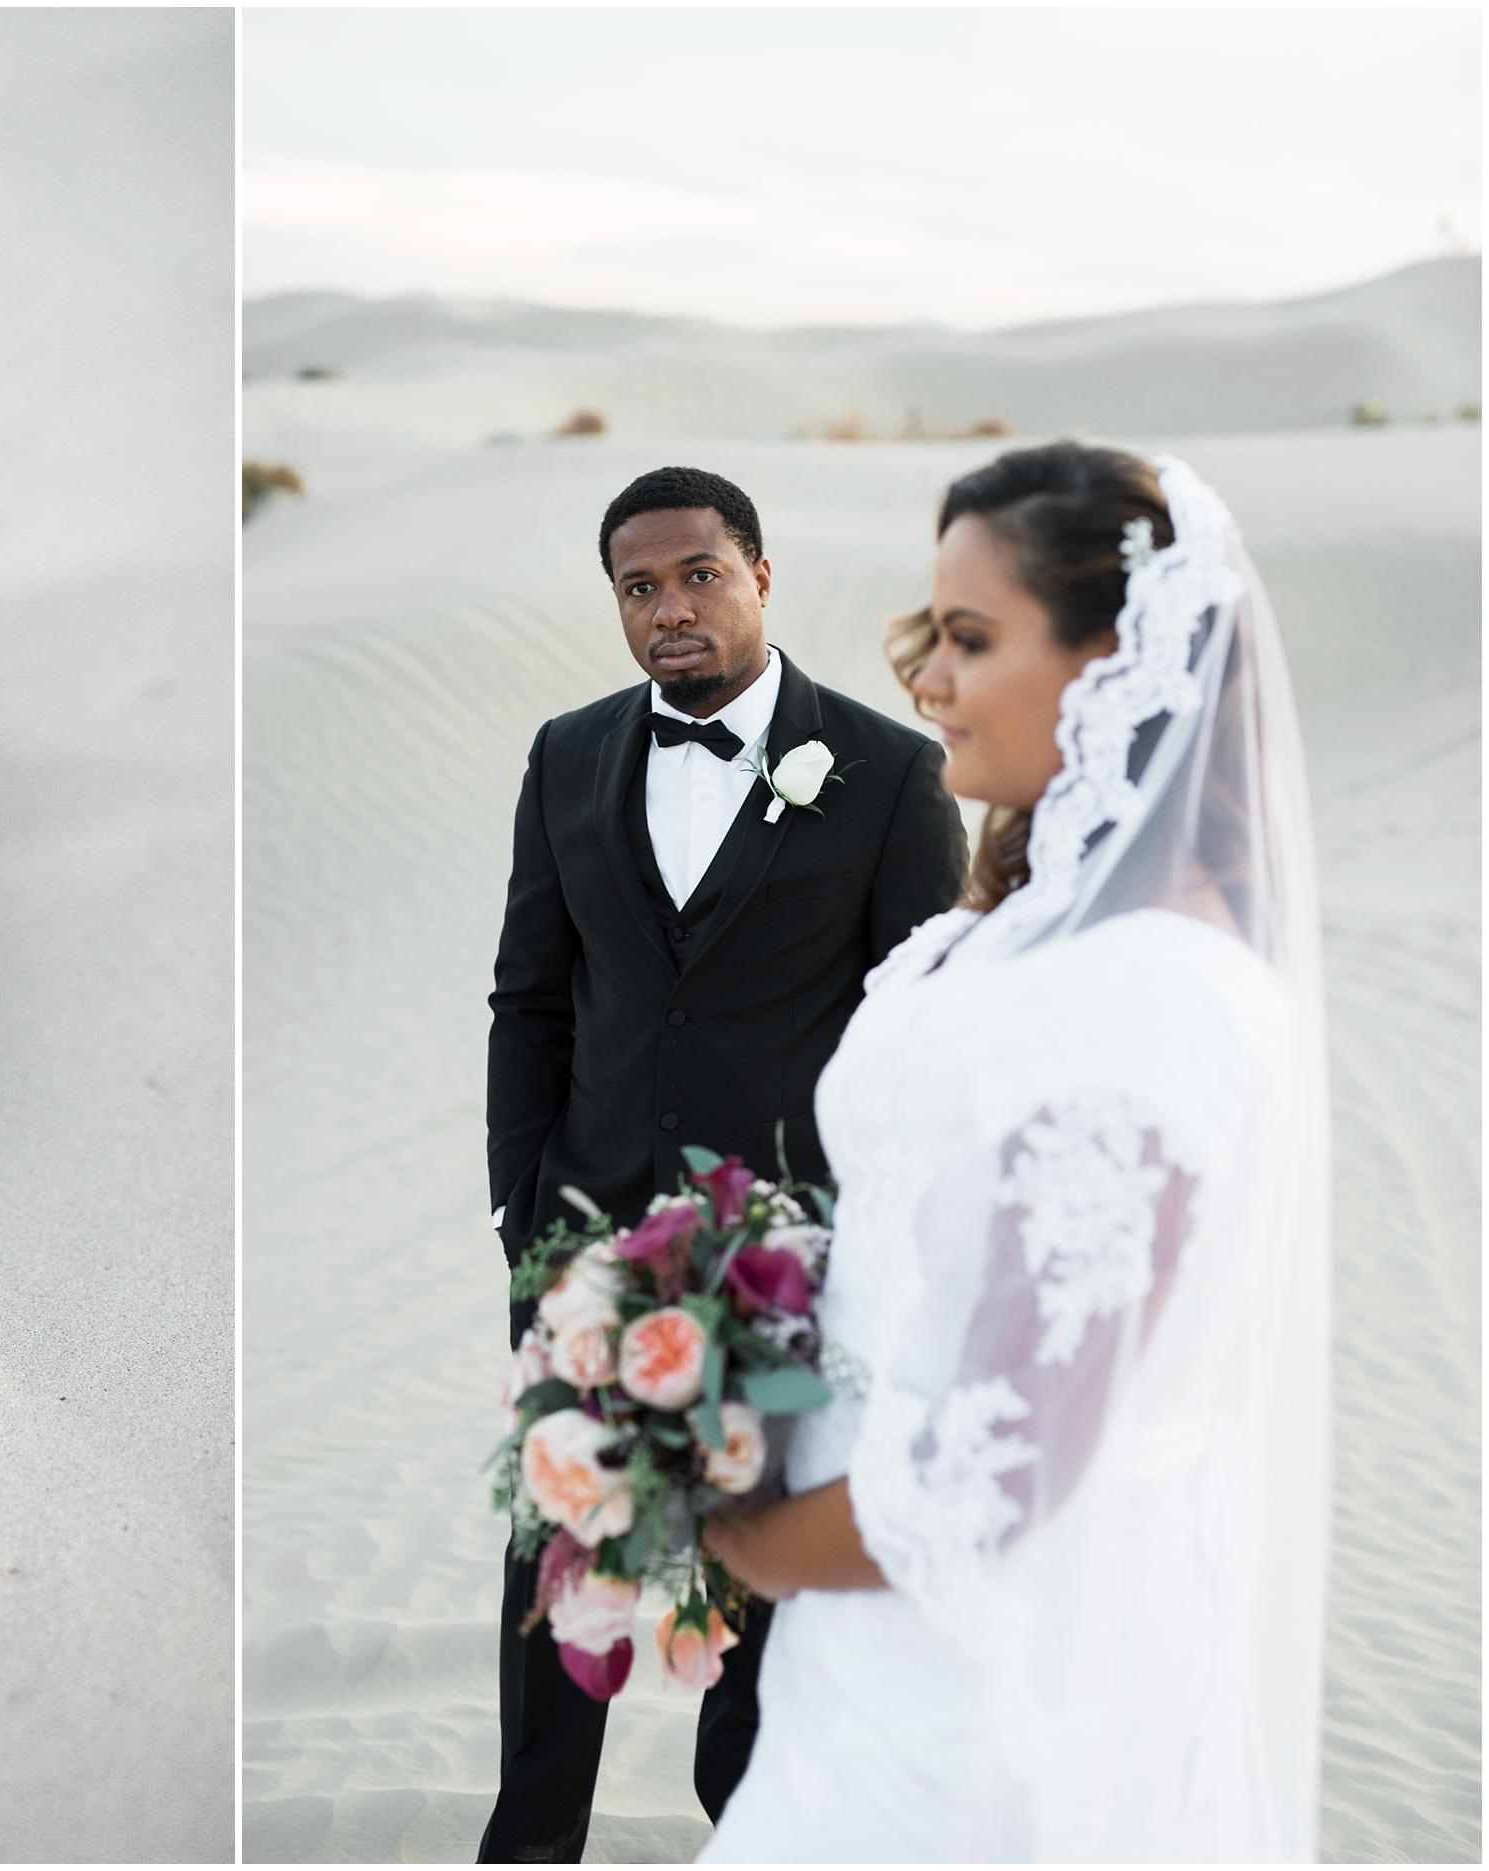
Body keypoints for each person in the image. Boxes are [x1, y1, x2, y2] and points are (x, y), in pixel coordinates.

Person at [697, 443, 1329, 1859]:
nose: (925, 683)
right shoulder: (1026, 928)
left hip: (1002, 1686)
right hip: (865, 1662)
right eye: (934, 635)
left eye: (971, 641)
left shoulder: (1158, 997)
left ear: (1118, 666)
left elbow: (1004, 1464)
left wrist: (743, 1542)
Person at [479, 466, 968, 1862]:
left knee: (755, 1556)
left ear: (761, 576)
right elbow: (532, 995)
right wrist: (526, 1200)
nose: (670, 610)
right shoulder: (568, 753)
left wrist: (862, 1231)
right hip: (580, 1230)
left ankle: (744, 1822)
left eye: (699, 575)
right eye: (640, 588)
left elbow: (909, 1035)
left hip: (782, 1249)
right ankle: (531, 1838)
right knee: (551, 1542)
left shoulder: (886, 771)